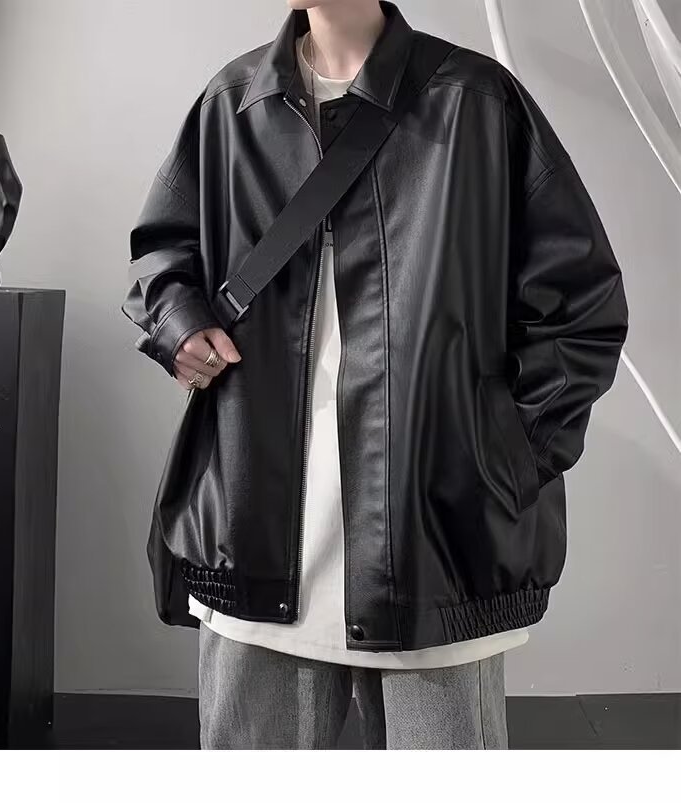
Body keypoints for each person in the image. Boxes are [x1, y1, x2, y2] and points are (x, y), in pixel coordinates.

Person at [122, 0, 629, 749]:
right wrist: (180, 324)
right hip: (255, 531)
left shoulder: (476, 102)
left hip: (434, 546)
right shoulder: (233, 105)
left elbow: (582, 302)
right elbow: (164, 253)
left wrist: (502, 461)